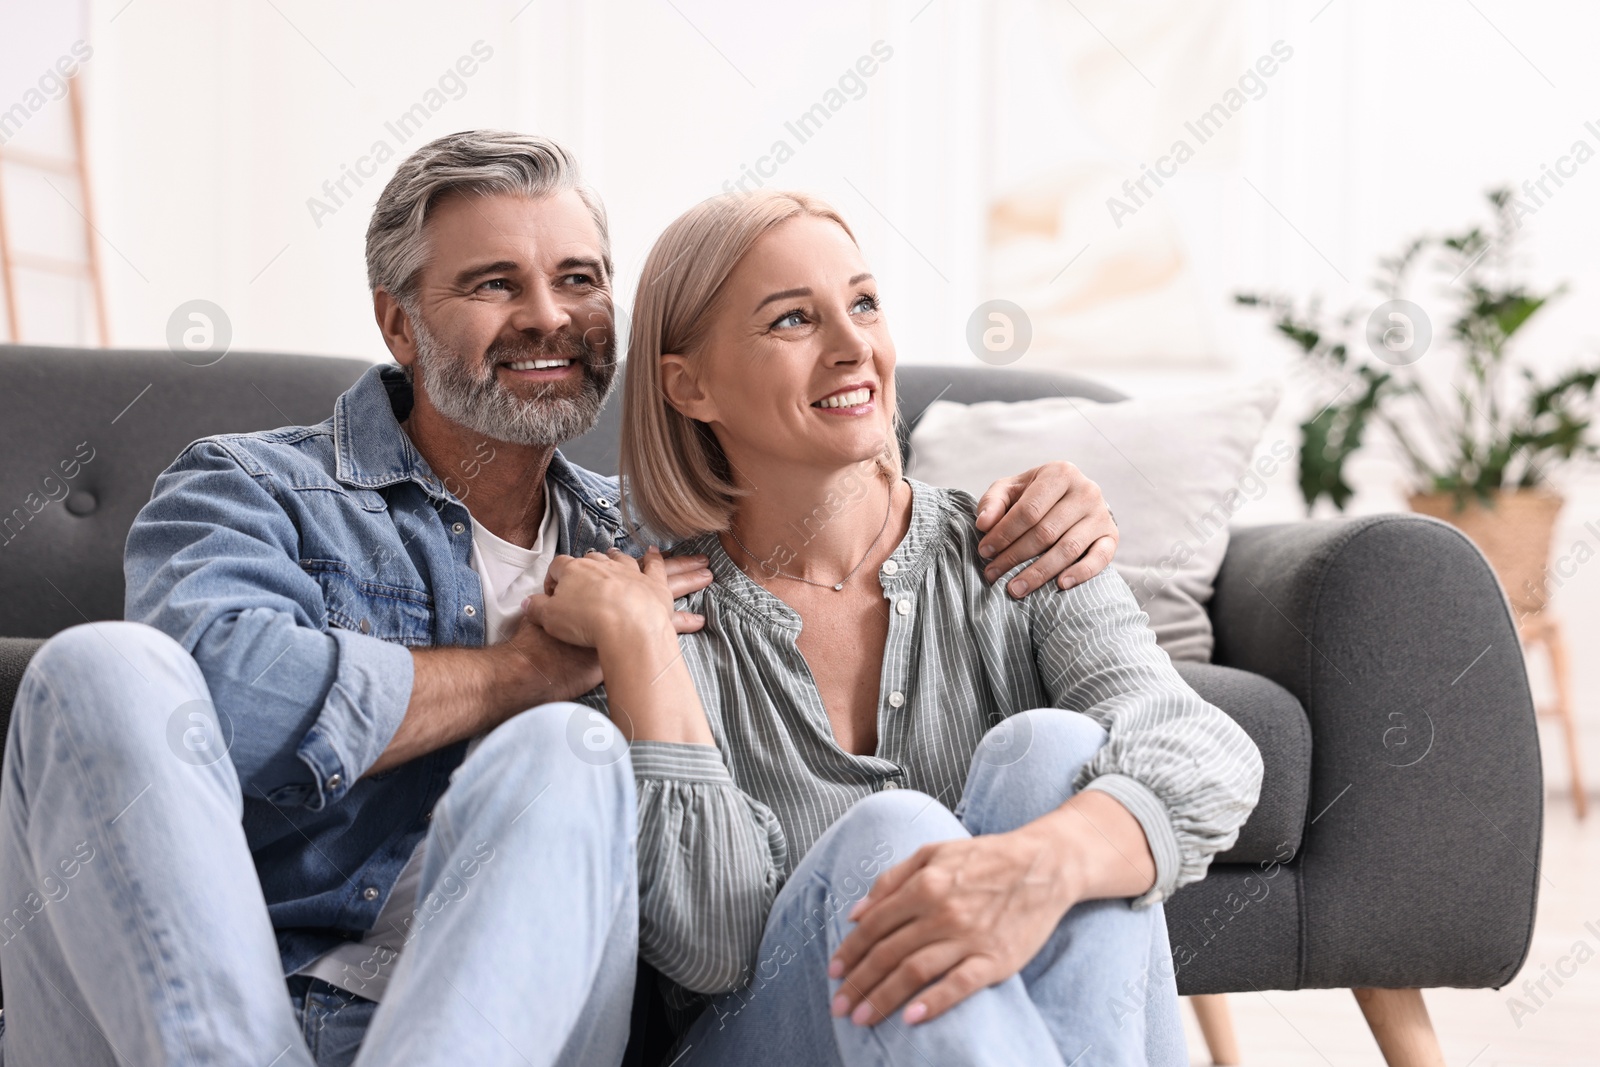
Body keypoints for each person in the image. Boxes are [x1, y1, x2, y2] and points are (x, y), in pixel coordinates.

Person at [0, 132, 1121, 1067]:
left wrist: (1041, 494)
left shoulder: (654, 546)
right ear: (398, 323)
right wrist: (521, 672)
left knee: (566, 758)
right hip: (197, 1004)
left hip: (520, 1027)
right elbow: (225, 699)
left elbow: (830, 485)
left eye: (578, 280)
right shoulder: (255, 487)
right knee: (98, 667)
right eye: (494, 284)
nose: (548, 316)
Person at [529, 189, 1265, 1066]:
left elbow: (1207, 750)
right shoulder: (652, 611)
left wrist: (1041, 867)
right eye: (793, 319)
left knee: (1054, 752)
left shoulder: (1020, 545)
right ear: (689, 384)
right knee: (892, 835)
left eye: (864, 303)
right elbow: (712, 949)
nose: (854, 348)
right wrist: (642, 652)